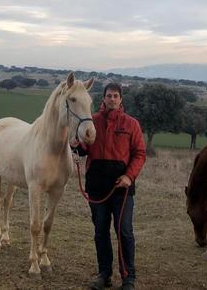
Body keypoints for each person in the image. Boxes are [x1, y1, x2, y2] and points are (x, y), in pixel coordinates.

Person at [72, 83, 147, 290]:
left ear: (121, 99)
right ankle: (104, 273)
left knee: (123, 231)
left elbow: (140, 154)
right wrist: (76, 145)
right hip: (97, 187)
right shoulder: (93, 121)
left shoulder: (131, 124)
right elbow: (85, 147)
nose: (112, 99)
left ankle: (128, 277)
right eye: (108, 96)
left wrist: (129, 176)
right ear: (103, 99)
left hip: (121, 188)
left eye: (115, 96)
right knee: (100, 231)